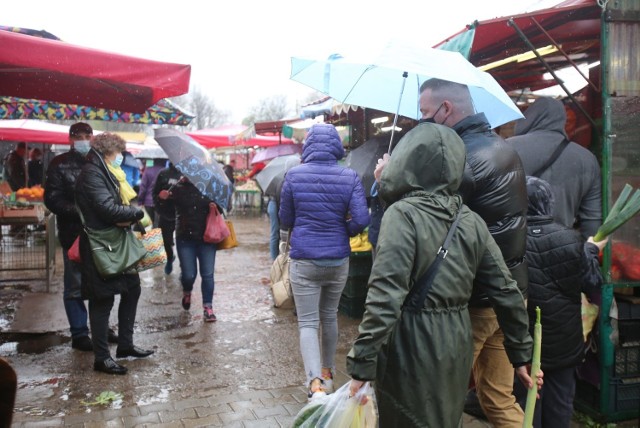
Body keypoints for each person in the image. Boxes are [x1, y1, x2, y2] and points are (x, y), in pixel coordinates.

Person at [346, 123, 536, 427]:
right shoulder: (470, 220)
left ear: (408, 159)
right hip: (457, 341)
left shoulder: (402, 215)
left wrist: (362, 363)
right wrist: (521, 353)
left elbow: (385, 296)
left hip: (410, 342)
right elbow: (506, 289)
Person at [419, 78, 529, 427]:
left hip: (472, 301)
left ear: (446, 109)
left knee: (435, 398)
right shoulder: (504, 147)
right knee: (498, 398)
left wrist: (387, 178)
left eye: (425, 113)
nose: (424, 120)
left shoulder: (460, 158)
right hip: (510, 294)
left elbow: (425, 219)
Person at [279, 123, 370, 400]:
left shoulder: (293, 176)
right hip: (337, 259)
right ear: (335, 147)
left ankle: (314, 385)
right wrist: (344, 229)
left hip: (304, 258)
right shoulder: (350, 176)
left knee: (307, 322)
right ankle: (329, 375)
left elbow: (285, 220)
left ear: (308, 146)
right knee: (329, 316)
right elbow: (362, 220)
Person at [513, 176, 606, 427]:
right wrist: (590, 250)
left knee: (525, 408)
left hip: (524, 344)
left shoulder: (509, 240)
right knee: (560, 406)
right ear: (549, 203)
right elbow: (592, 284)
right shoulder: (570, 238)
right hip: (566, 344)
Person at [75, 133, 153, 375]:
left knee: (132, 288)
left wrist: (128, 214)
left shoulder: (105, 170)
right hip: (102, 245)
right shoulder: (92, 173)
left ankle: (126, 345)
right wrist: (136, 213)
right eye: (119, 153)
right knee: (102, 300)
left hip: (116, 242)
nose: (121, 157)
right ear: (110, 151)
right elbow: (107, 208)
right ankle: (102, 358)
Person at [44, 122, 118, 351]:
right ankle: (79, 333)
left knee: (102, 282)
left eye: (88, 135)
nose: (84, 139)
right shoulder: (59, 163)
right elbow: (52, 199)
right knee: (75, 286)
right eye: (79, 136)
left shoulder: (101, 161)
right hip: (73, 235)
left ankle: (101, 327)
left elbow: (113, 189)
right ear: (70, 139)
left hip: (101, 234)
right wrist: (79, 209)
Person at [507, 96, 602, 239]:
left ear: (529, 118)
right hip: (561, 249)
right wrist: (586, 254)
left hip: (514, 248)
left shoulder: (505, 149)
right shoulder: (586, 159)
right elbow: (592, 220)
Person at [161, 176, 222, 322]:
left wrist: (215, 206)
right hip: (185, 238)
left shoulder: (210, 188)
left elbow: (221, 209)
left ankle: (208, 307)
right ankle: (187, 291)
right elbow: (165, 212)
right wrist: (163, 199)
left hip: (207, 238)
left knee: (207, 274)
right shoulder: (176, 188)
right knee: (189, 275)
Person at [152, 162, 180, 275]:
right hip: (165, 214)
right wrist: (160, 197)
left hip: (182, 215)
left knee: (183, 244)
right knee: (165, 242)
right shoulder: (163, 173)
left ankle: (184, 268)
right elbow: (154, 193)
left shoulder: (188, 175)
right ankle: (169, 258)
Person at [137, 158, 166, 227]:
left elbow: (143, 187)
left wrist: (140, 201)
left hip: (148, 202)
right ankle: (155, 237)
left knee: (149, 223)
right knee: (157, 224)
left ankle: (147, 237)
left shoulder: (148, 170)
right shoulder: (165, 171)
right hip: (160, 202)